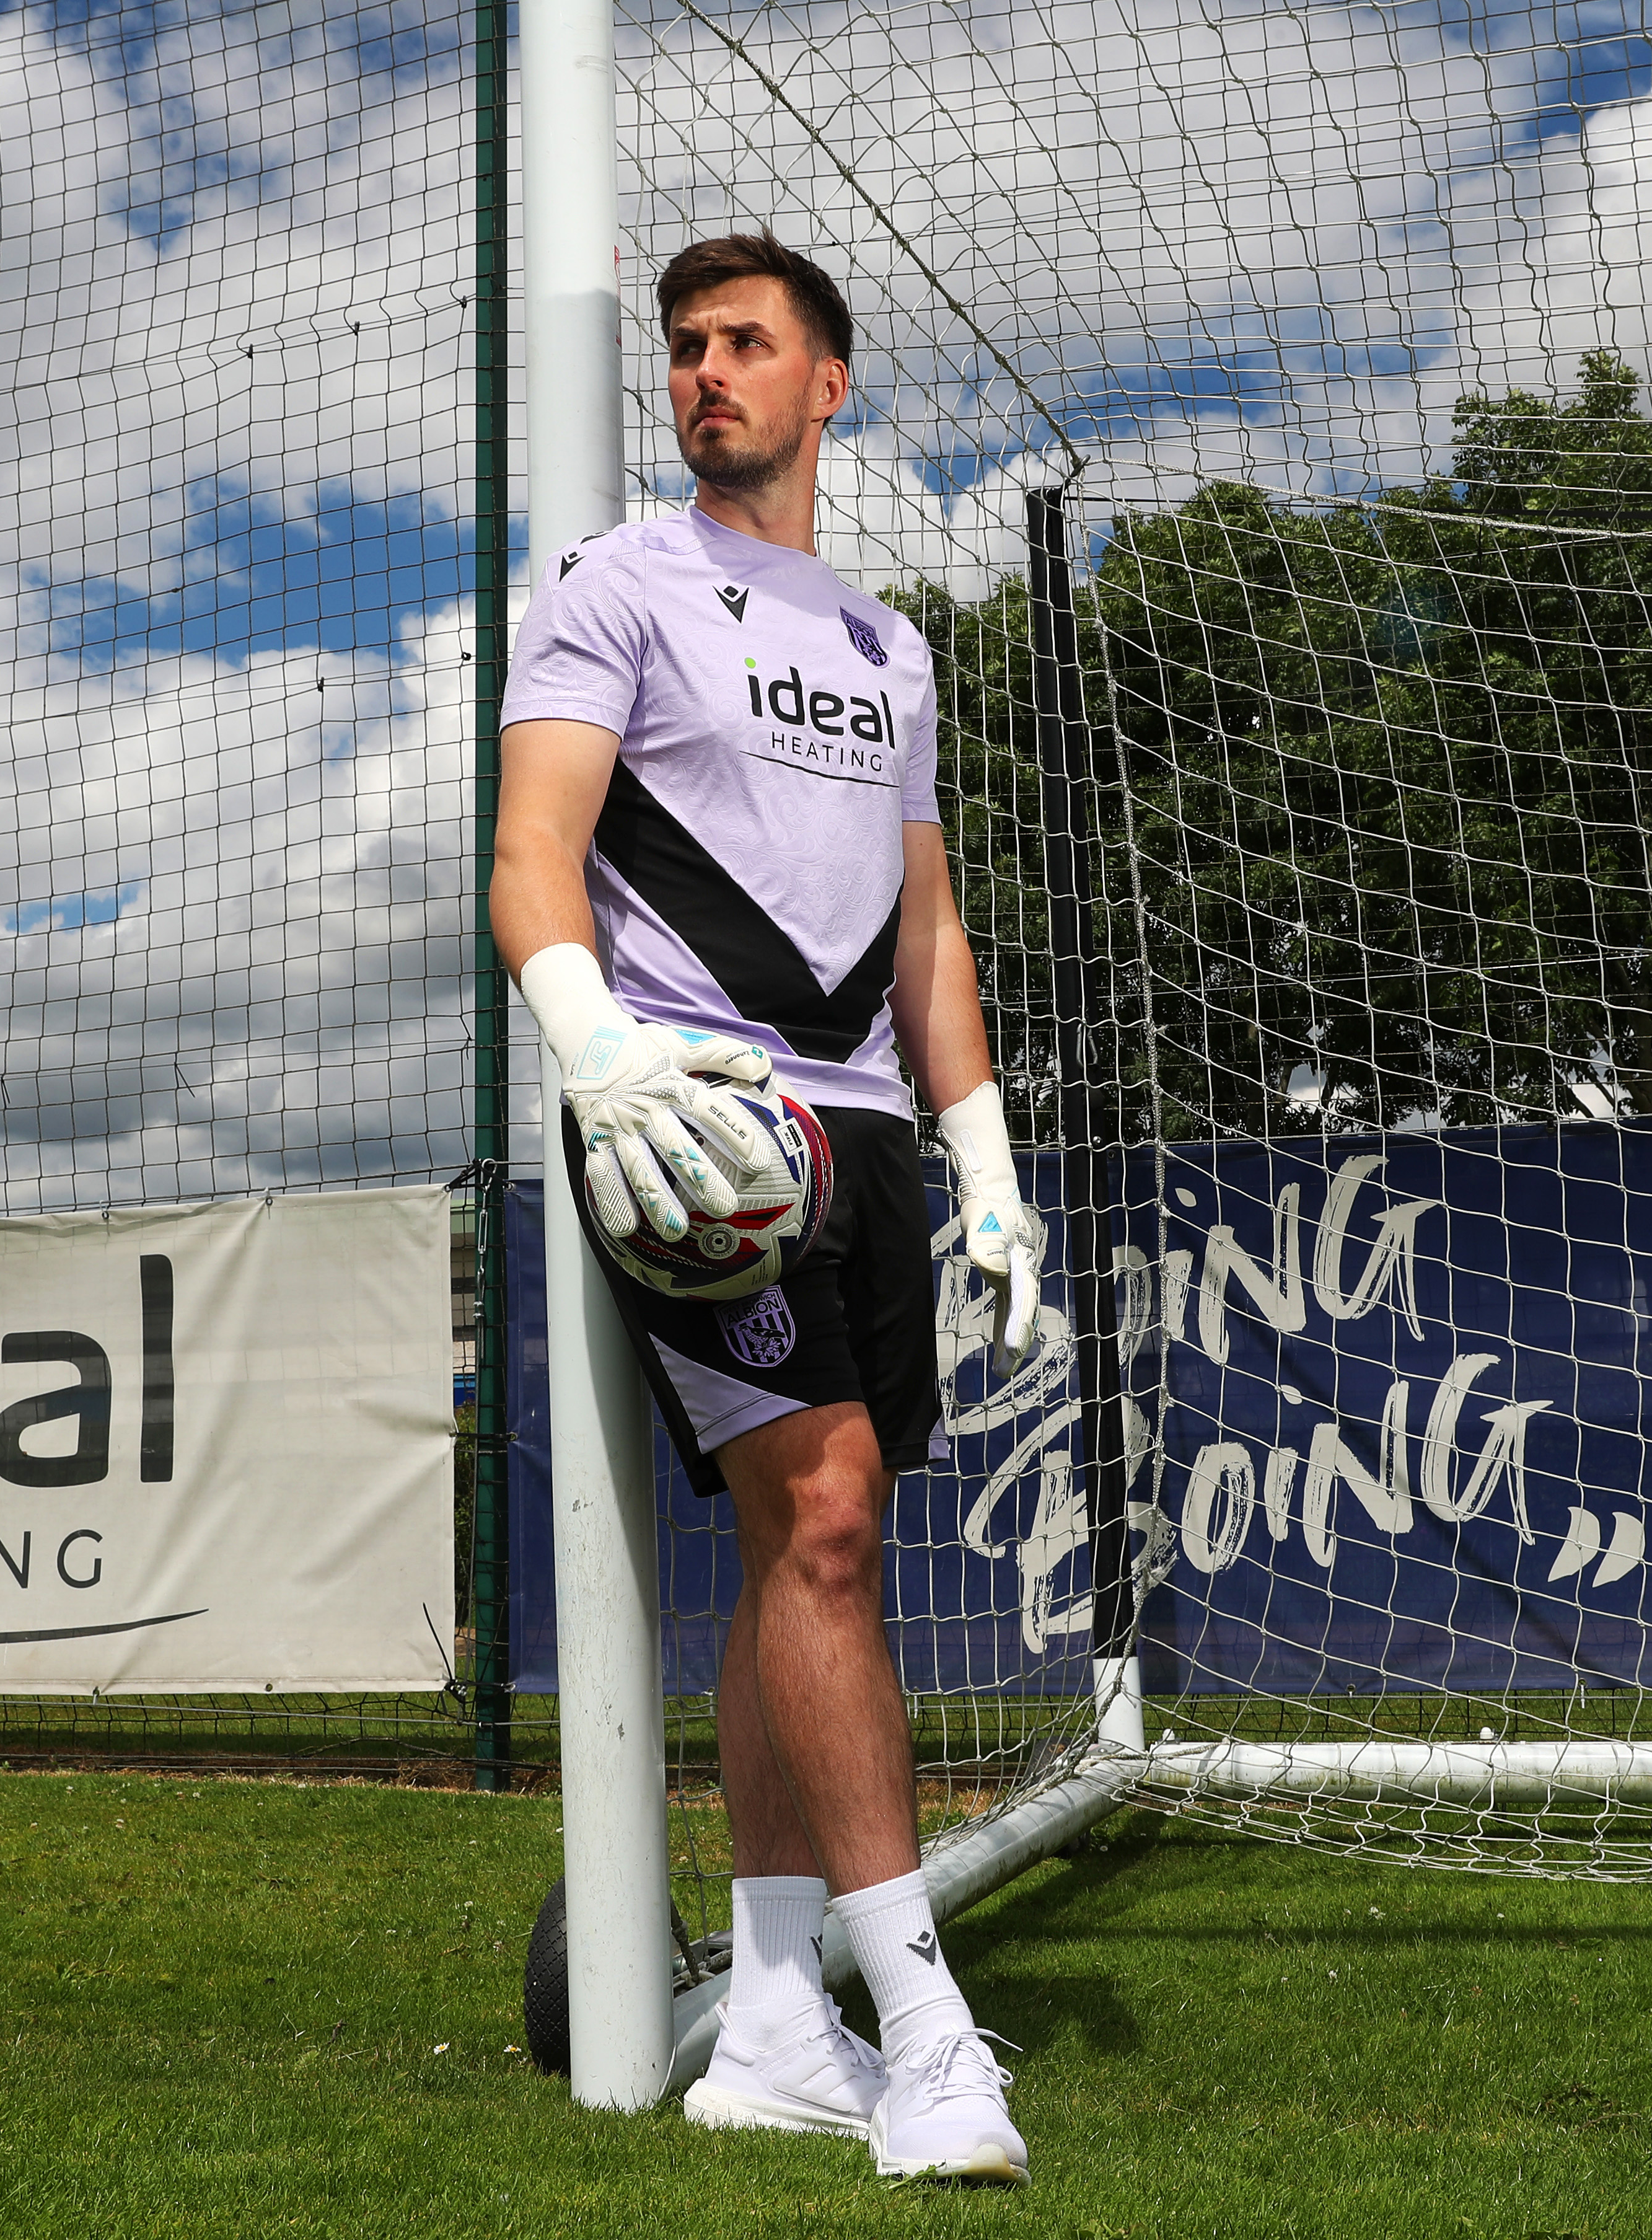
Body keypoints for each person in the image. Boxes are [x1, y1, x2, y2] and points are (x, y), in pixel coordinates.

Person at [490, 232, 1044, 2185]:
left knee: (812, 1545)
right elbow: (532, 859)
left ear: (829, 385)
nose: (701, 374)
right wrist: (599, 1055)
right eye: (683, 348)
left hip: (877, 1133)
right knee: (819, 1521)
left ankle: (779, 2019)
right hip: (696, 1132)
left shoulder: (888, 645)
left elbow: (930, 926)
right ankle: (931, 2035)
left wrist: (983, 1164)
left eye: (743, 345)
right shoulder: (611, 589)